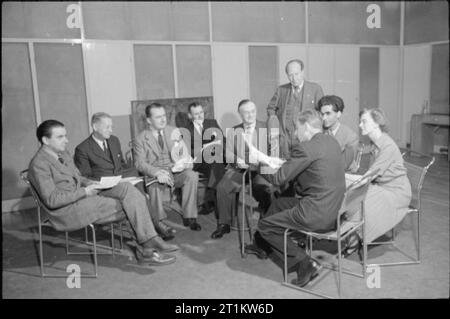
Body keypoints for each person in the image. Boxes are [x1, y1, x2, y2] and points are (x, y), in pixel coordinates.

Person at [28, 120, 178, 266]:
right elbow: (52, 200)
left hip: (84, 195)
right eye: (60, 137)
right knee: (128, 204)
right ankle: (148, 246)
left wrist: (90, 183)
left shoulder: (63, 154)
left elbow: (78, 176)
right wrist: (85, 191)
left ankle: (149, 242)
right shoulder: (39, 164)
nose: (66, 140)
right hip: (68, 208)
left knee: (127, 188)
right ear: (45, 140)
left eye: (65, 135)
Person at [246, 109, 346, 288]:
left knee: (265, 226)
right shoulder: (331, 141)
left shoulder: (305, 147)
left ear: (306, 127)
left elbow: (278, 179)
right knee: (279, 203)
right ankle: (261, 244)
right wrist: (285, 164)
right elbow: (313, 167)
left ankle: (303, 262)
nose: (294, 133)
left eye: (296, 129)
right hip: (333, 208)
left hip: (316, 213)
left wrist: (259, 164)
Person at [74, 112, 176, 241]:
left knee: (137, 180)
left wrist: (128, 176)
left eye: (111, 126)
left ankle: (152, 228)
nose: (111, 130)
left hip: (120, 179)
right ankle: (156, 224)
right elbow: (86, 178)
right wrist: (112, 181)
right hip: (104, 187)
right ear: (95, 127)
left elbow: (121, 164)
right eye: (107, 127)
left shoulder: (114, 140)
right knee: (138, 193)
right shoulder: (82, 149)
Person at [345, 108, 412, 254]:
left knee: (360, 197)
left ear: (376, 124)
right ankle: (354, 235)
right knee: (356, 196)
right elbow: (370, 173)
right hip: (384, 187)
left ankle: (356, 237)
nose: (360, 125)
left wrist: (347, 179)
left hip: (397, 192)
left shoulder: (386, 145)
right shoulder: (375, 143)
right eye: (360, 122)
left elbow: (369, 176)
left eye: (364, 121)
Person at [211, 99, 276, 239]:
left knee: (267, 189)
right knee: (223, 186)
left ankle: (265, 226)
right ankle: (224, 224)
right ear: (240, 114)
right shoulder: (233, 131)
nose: (250, 115)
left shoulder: (266, 127)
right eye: (246, 112)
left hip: (261, 171)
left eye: (253, 111)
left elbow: (274, 153)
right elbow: (228, 153)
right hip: (240, 170)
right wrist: (237, 160)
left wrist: (263, 161)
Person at [134, 103, 201, 231]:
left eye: (164, 115)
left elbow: (183, 153)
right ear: (149, 120)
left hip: (175, 172)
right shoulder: (141, 138)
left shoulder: (173, 131)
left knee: (191, 176)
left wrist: (186, 161)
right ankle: (159, 222)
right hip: (156, 173)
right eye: (158, 117)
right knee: (153, 184)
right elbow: (140, 163)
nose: (163, 119)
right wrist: (157, 172)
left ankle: (190, 216)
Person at [267, 59, 324, 159]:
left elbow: (321, 113)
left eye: (297, 74)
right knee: (284, 166)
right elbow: (271, 109)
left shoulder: (315, 89)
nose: (294, 78)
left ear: (302, 72)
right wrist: (276, 129)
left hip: (305, 138)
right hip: (285, 138)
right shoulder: (281, 90)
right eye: (290, 75)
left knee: (302, 165)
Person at [183, 102, 226, 214]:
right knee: (217, 162)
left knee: (217, 160)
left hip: (217, 158)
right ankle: (218, 201)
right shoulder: (186, 130)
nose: (200, 116)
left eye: (201, 112)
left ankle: (212, 196)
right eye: (196, 114)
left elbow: (223, 140)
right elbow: (187, 151)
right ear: (190, 116)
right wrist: (203, 148)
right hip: (200, 162)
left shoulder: (212, 122)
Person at [317, 95, 360, 171]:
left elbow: (344, 165)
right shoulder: (318, 132)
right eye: (322, 114)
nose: (324, 118)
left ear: (339, 114)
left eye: (328, 113)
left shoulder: (351, 137)